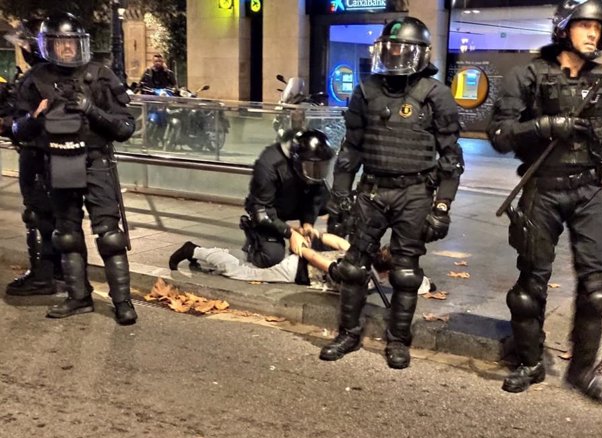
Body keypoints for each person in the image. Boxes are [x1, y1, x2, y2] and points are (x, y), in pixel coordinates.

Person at [487, 0, 602, 402]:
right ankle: (529, 363)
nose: (593, 34)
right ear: (564, 28)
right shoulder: (527, 75)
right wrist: (546, 125)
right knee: (530, 285)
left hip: (589, 191)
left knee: (598, 290)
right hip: (542, 188)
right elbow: (499, 134)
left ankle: (581, 372)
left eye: (598, 28)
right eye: (585, 26)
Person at [319, 16, 464, 370]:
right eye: (391, 48)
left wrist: (442, 206)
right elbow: (351, 148)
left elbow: (451, 159)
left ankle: (398, 341)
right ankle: (349, 333)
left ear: (420, 54)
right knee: (354, 267)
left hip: (414, 192)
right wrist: (340, 193)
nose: (396, 55)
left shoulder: (436, 95)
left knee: (405, 272)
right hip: (372, 190)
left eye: (403, 49)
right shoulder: (366, 91)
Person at [12, 12, 137, 325]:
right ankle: (78, 297)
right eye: (61, 43)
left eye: (72, 43)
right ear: (49, 46)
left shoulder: (101, 75)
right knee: (66, 234)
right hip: (56, 163)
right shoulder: (34, 79)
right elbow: (16, 129)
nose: (67, 49)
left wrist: (91, 110)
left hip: (96, 162)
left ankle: (122, 301)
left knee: (109, 236)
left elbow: (124, 127)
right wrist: (35, 118)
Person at [3, 18, 64, 296]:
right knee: (61, 215)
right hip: (63, 157)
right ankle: (62, 269)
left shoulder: (34, 78)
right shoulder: (63, 75)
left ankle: (43, 274)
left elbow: (21, 126)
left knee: (38, 215)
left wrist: (11, 124)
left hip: (38, 156)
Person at [168, 233, 435, 294]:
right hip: (295, 270)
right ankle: (195, 250)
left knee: (245, 268)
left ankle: (206, 257)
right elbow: (319, 261)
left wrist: (318, 235)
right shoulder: (359, 275)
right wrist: (305, 246)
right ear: (386, 271)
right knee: (239, 271)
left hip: (299, 265)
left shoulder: (366, 256)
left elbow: (340, 243)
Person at [242, 129, 334, 269]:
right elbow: (261, 210)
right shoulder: (268, 165)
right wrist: (290, 233)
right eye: (312, 167)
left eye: (321, 167)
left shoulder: (310, 173)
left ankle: (309, 237)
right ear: (296, 159)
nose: (317, 173)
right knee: (271, 256)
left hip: (294, 199)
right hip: (270, 208)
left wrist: (307, 224)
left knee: (336, 204)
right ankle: (254, 241)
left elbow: (315, 195)